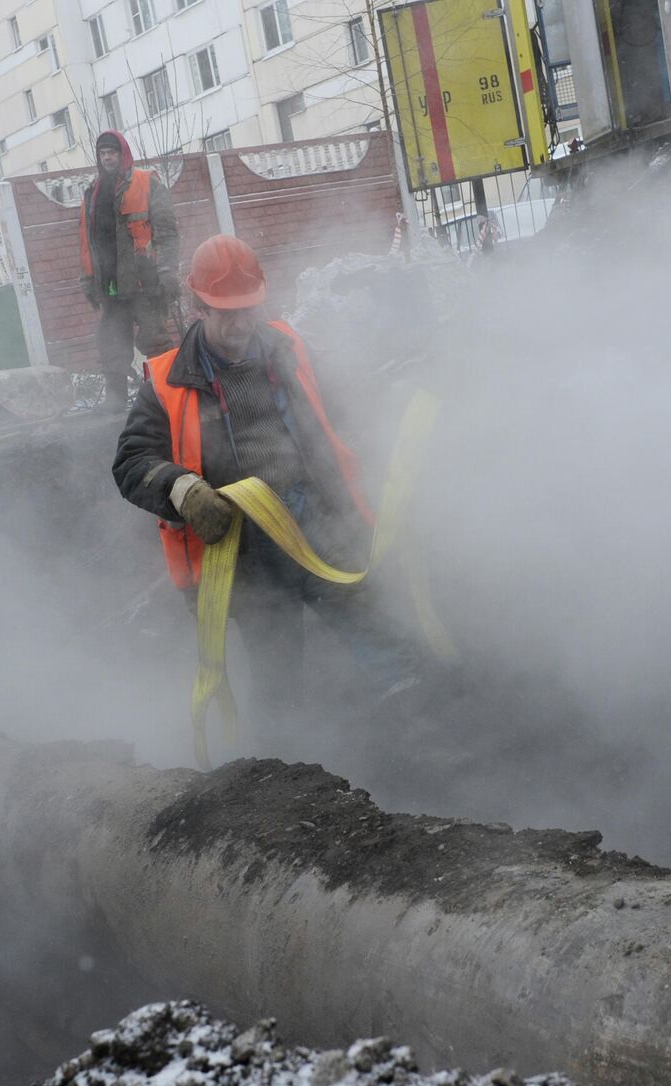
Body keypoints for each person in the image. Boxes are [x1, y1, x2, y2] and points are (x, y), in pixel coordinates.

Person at [113, 234, 420, 734]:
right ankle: (290, 767)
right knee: (277, 669)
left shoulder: (289, 348)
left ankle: (421, 724)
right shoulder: (167, 381)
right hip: (247, 547)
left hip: (317, 517)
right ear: (198, 306)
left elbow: (339, 410)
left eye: (247, 311)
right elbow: (131, 462)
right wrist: (182, 489)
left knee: (373, 627)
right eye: (225, 313)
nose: (239, 326)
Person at [79, 131, 180, 412]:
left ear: (123, 153)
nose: (107, 157)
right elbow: (87, 242)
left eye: (112, 151)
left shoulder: (147, 182)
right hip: (110, 286)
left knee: (155, 341)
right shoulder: (93, 193)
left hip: (144, 281)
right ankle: (115, 402)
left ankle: (168, 395)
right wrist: (88, 280)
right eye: (102, 153)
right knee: (111, 343)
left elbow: (168, 231)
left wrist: (169, 270)